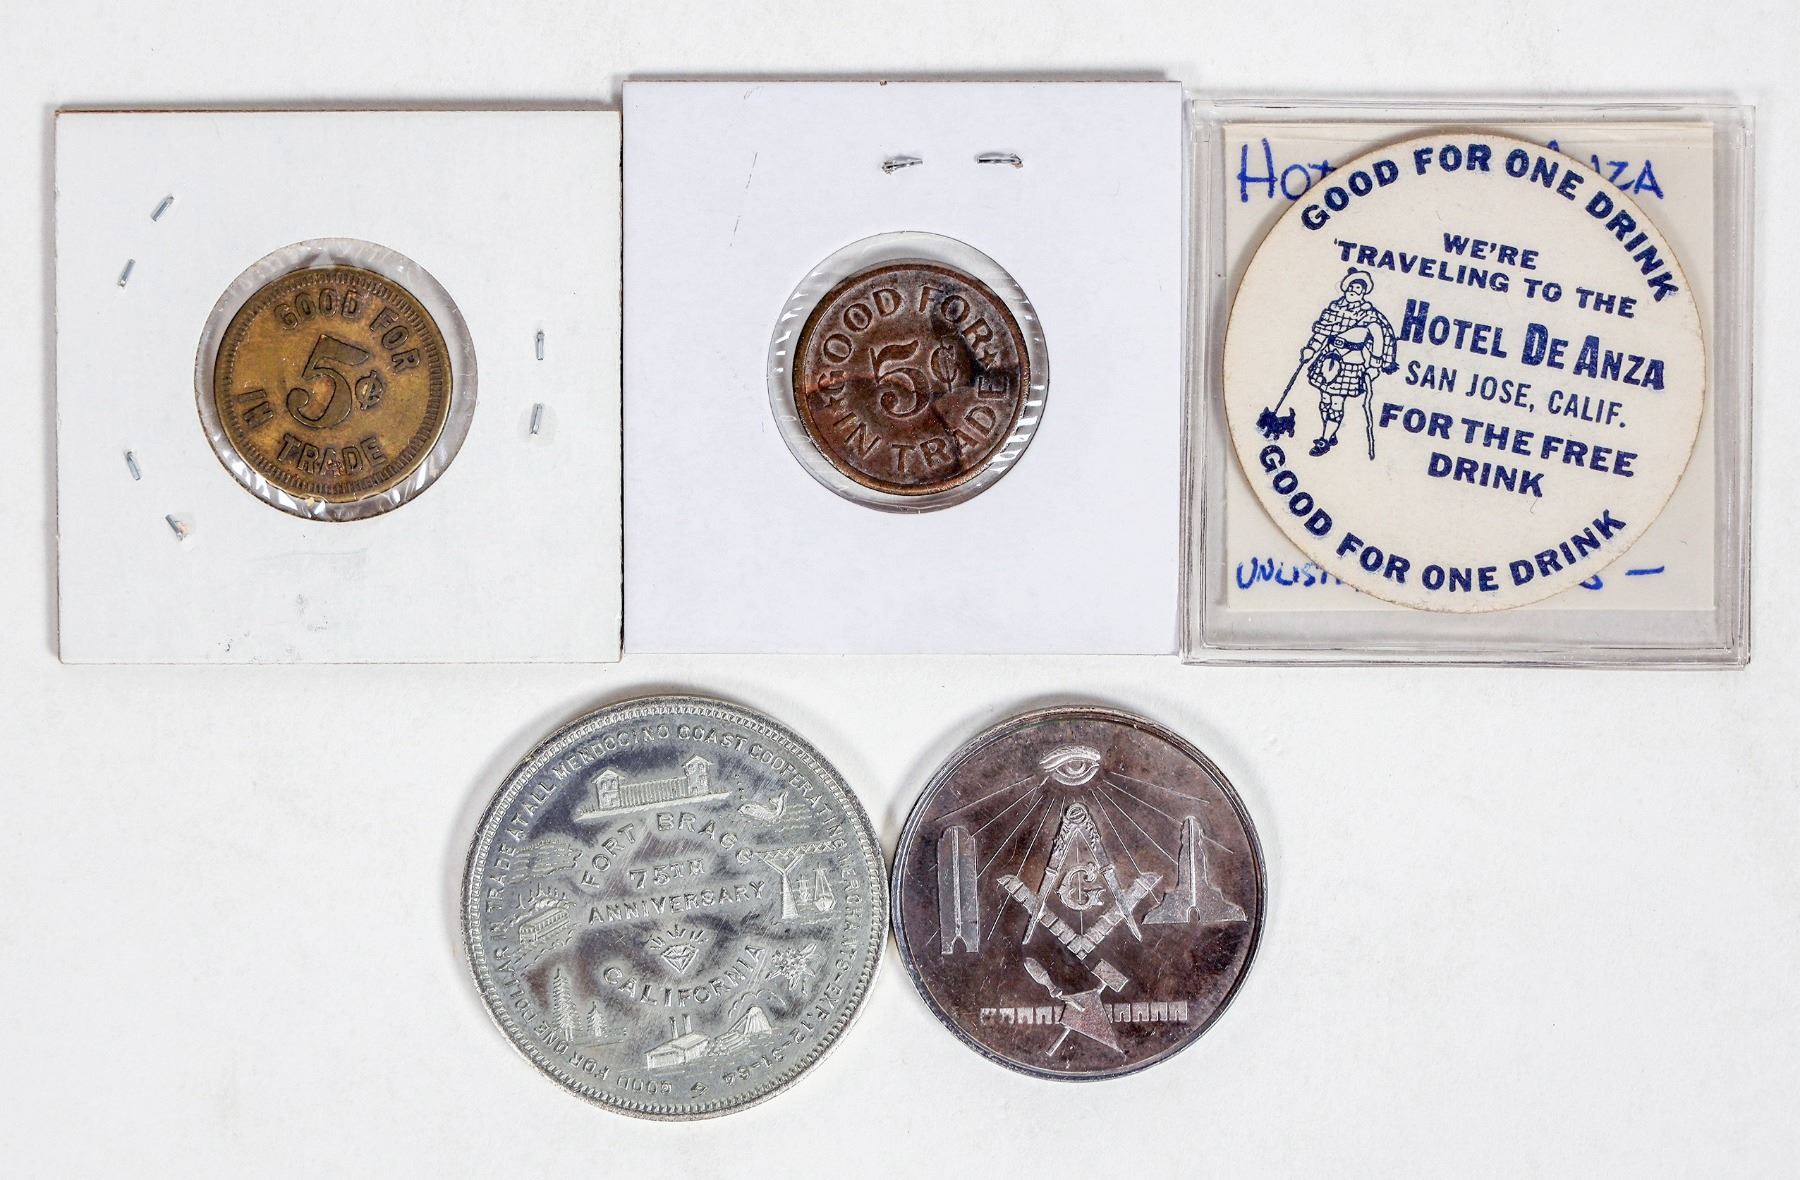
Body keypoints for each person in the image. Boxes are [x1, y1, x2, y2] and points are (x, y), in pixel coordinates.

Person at [1300, 268, 1398, 458]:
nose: (1354, 290)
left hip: (1351, 364)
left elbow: (1379, 338)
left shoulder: (1368, 315)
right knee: (1325, 400)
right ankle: (1330, 431)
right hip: (1328, 359)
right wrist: (1311, 349)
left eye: (1359, 288)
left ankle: (1325, 439)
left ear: (1364, 292)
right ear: (1346, 288)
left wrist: (1375, 365)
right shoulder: (1334, 310)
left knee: (1337, 401)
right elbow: (1322, 334)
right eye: (1352, 287)